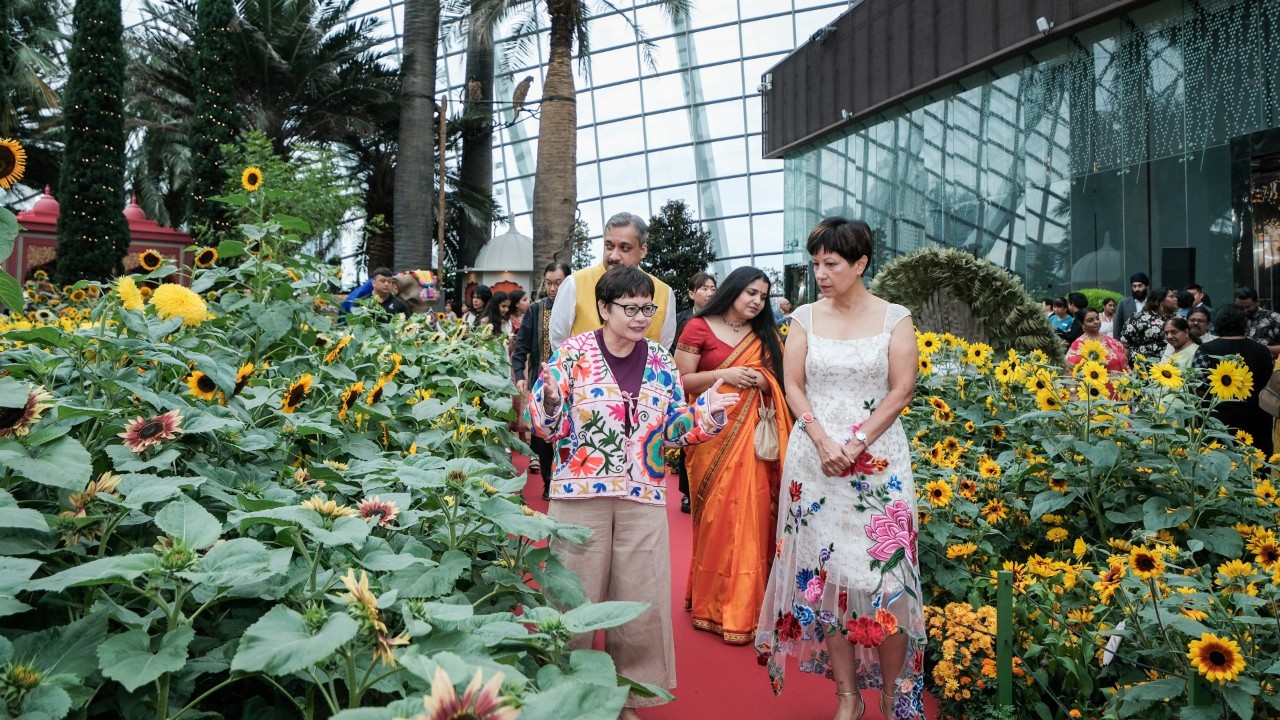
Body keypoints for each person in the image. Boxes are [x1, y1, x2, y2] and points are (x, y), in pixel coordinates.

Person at [528, 265, 738, 718]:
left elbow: (673, 431)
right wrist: (545, 403)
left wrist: (705, 414)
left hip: (643, 491)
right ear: (604, 308)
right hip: (579, 492)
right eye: (631, 308)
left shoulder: (662, 362)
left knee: (641, 599)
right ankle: (566, 689)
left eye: (648, 308)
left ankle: (630, 695)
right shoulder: (572, 353)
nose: (642, 317)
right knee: (572, 594)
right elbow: (545, 425)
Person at [755, 217, 925, 720]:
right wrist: (823, 438)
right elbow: (794, 387)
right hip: (815, 463)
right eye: (816, 264)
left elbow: (902, 389)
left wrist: (854, 442)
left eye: (831, 264)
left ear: (860, 264)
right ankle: (847, 697)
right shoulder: (804, 317)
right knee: (826, 578)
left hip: (878, 466)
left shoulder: (895, 317)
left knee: (887, 582)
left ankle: (895, 697)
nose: (821, 273)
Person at [674, 267, 791, 645]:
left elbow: (784, 383)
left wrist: (763, 380)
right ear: (733, 290)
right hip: (711, 434)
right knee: (715, 520)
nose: (757, 301)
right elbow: (681, 382)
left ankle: (748, 608)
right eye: (750, 293)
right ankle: (710, 604)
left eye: (763, 295)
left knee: (753, 518)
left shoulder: (767, 333)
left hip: (754, 437)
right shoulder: (698, 328)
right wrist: (726, 374)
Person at [549, 212, 677, 348]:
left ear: (643, 250)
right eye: (609, 246)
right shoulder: (575, 283)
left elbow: (664, 348)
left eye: (625, 248)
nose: (614, 256)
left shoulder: (664, 293)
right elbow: (559, 343)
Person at [512, 262, 572, 499]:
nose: (552, 288)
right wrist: (519, 376)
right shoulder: (536, 310)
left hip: (573, 380)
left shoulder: (578, 308)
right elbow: (521, 348)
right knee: (542, 436)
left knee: (570, 431)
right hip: (542, 381)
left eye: (558, 283)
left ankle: (566, 479)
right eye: (548, 283)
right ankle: (549, 481)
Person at [1192, 303, 1274, 456]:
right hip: (1258, 423)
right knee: (1257, 471)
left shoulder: (1206, 350)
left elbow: (1197, 385)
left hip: (1219, 423)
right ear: (1244, 323)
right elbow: (1271, 384)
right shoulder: (1262, 351)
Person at [673, 271, 717, 513]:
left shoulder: (720, 319)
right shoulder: (682, 320)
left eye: (712, 288)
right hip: (687, 384)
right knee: (687, 436)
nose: (709, 293)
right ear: (691, 293)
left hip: (711, 385)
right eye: (704, 288)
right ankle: (687, 492)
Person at [1066, 308, 1129, 376]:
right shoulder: (1079, 344)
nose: (1096, 322)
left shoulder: (1111, 340)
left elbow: (1123, 360)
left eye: (1097, 318)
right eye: (1090, 320)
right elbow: (1070, 369)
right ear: (1082, 324)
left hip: (1119, 383)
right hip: (1096, 384)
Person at [1121, 286, 1176, 362]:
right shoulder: (1138, 318)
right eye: (1171, 296)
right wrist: (1124, 365)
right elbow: (1126, 344)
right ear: (1160, 300)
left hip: (1170, 367)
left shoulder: (1176, 319)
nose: (1175, 299)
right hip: (1142, 365)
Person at [1234, 287, 1280, 357]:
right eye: (1240, 307)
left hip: (1266, 365)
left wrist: (1258, 347)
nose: (1244, 310)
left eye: (1248, 307)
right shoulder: (1232, 317)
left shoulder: (1273, 317)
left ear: (1257, 303)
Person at [1112, 272, 1150, 341]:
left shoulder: (1153, 302)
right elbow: (1117, 328)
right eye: (1134, 286)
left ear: (1146, 286)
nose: (1137, 289)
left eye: (1140, 286)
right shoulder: (1123, 304)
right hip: (1129, 346)